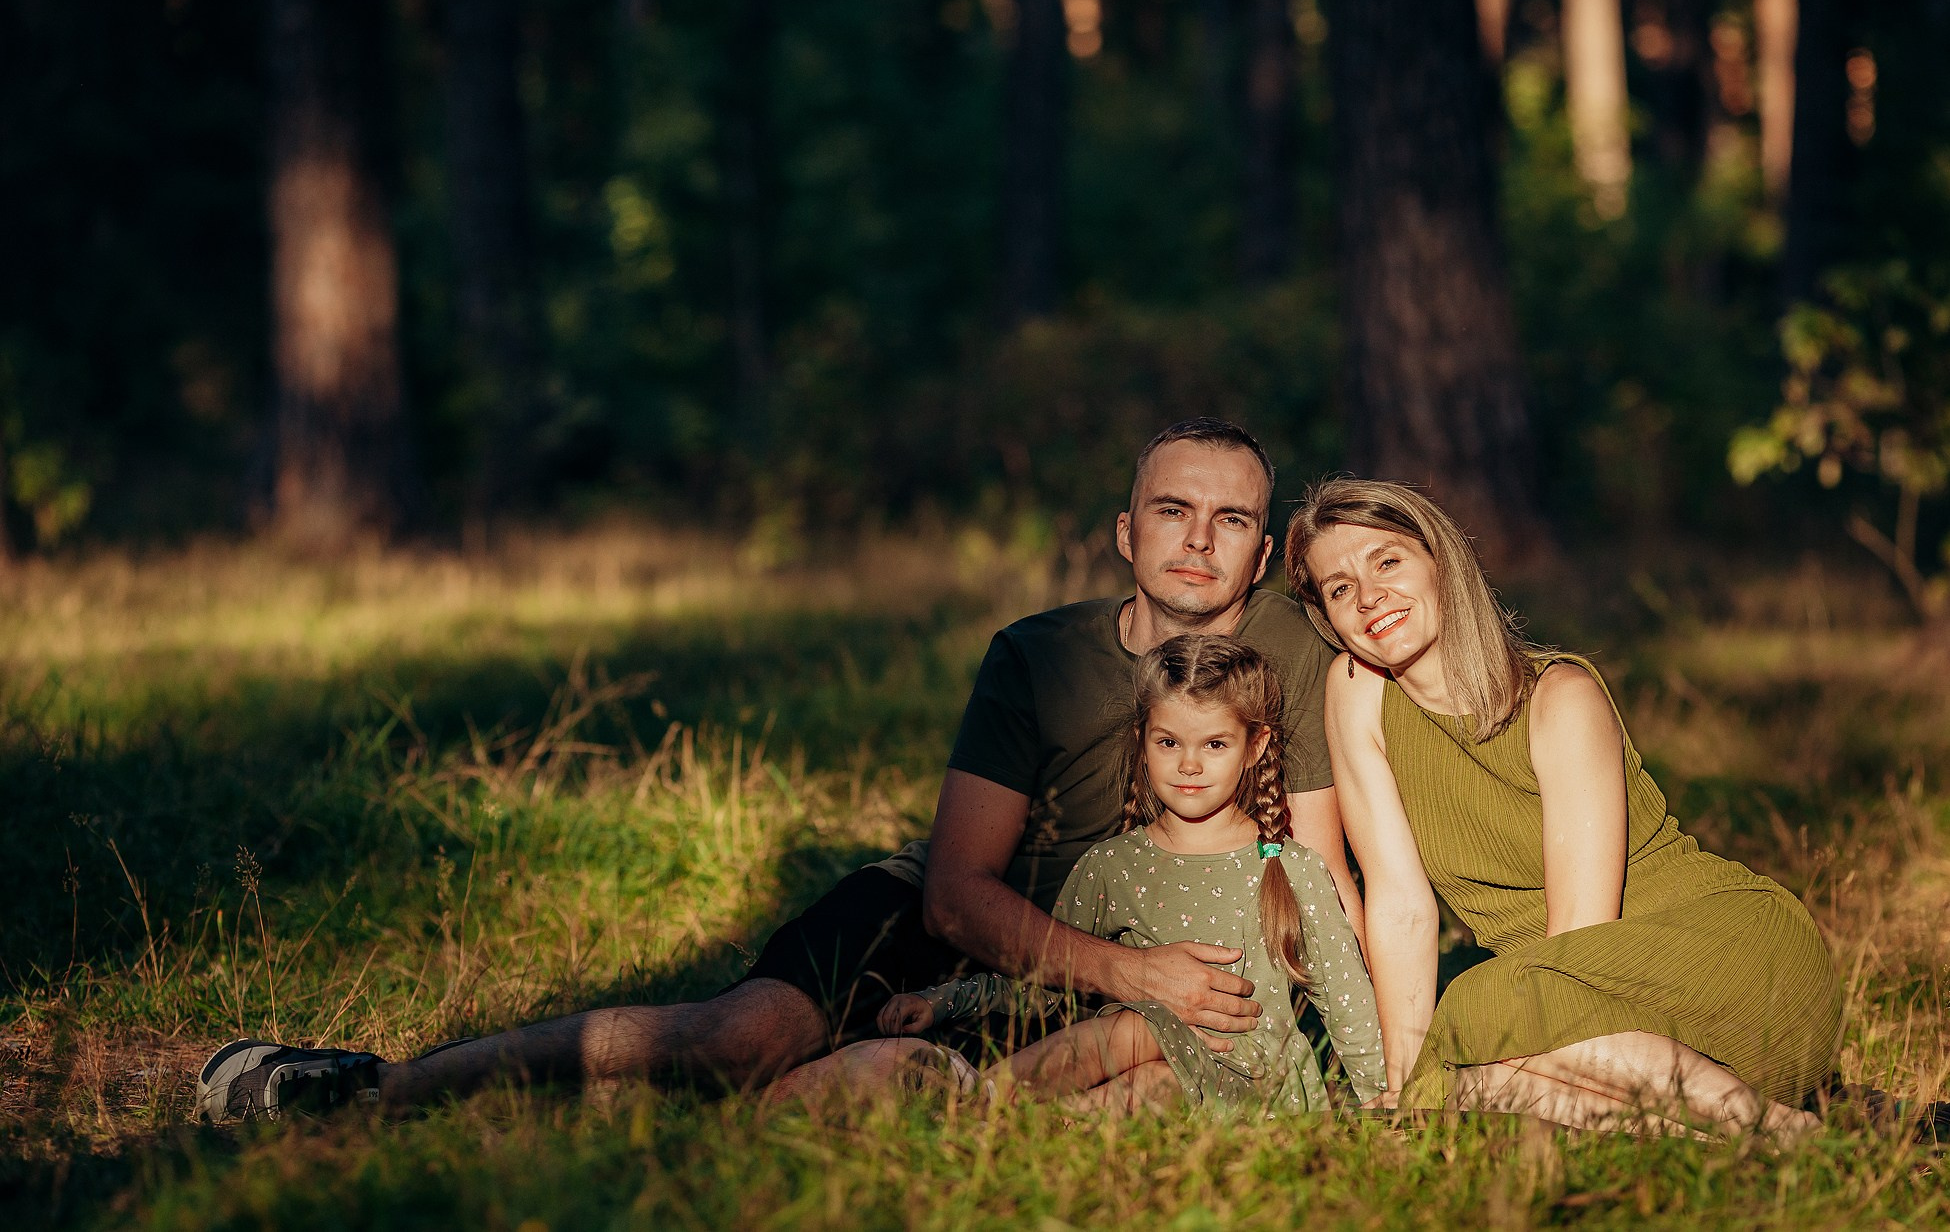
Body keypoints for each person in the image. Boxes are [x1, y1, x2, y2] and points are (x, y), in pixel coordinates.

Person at [196, 418, 1359, 1121]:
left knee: (868, 1096)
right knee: (736, 1040)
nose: (1200, 538)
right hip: (965, 925)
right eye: (1173, 509)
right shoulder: (1037, 655)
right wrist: (1130, 970)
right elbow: (956, 891)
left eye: (1231, 518)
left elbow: (1314, 866)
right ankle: (378, 1085)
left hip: (1094, 980)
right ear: (1125, 530)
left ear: (1266, 547)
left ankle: (758, 1096)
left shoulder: (1296, 651)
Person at [1284, 477, 1842, 1137]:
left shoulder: (1560, 697)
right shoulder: (1357, 691)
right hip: (1587, 1027)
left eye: (1387, 561)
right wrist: (1410, 1088)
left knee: (1469, 1012)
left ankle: (1757, 1123)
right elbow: (1402, 904)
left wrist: (1469, 1036)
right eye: (1340, 588)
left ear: (1443, 563)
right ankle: (1775, 1135)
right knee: (1458, 1091)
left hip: (1736, 964)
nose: (1369, 597)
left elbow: (1580, 936)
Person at [810, 634, 1381, 1119]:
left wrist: (1384, 1103)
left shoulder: (1289, 867)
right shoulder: (1112, 867)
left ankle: (981, 1103)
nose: (1188, 764)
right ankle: (988, 1115)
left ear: (1255, 748)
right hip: (1155, 1082)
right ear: (1143, 742)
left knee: (1137, 1028)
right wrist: (946, 1002)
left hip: (1256, 1090)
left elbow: (1347, 999)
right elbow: (1043, 985)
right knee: (1145, 1074)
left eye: (1214, 743)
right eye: (1168, 742)